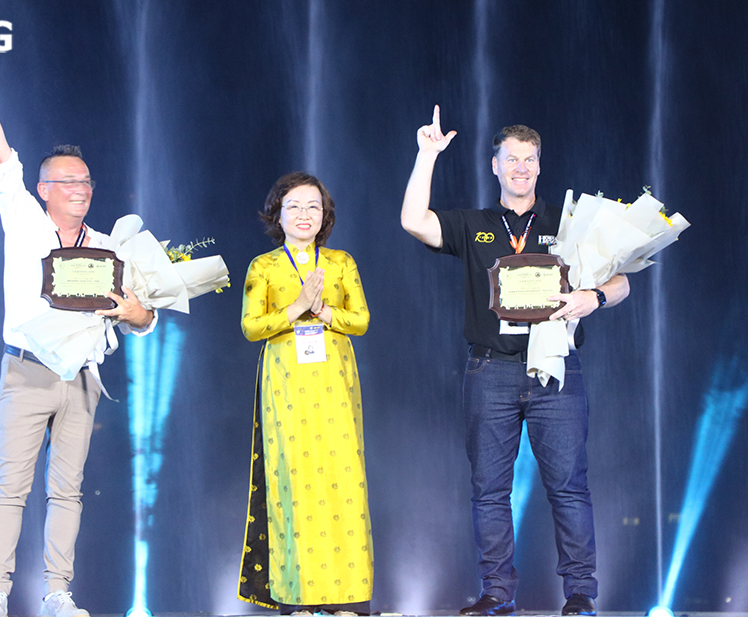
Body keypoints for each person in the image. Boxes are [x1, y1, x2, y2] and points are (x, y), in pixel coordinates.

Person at [400, 106, 630, 616]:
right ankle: (497, 594)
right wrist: (427, 154)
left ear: (540, 166)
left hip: (555, 371)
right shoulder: (474, 225)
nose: (521, 167)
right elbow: (413, 221)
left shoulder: (568, 222)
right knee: (488, 491)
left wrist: (595, 296)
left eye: (530, 159)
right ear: (495, 165)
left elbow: (623, 278)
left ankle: (580, 594)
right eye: (512, 158)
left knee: (569, 487)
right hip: (491, 371)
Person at [0, 50, 156, 617]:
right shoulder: (22, 217)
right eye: (68, 181)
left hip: (82, 377)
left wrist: (136, 313)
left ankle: (56, 595)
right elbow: (1, 154)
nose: (81, 188)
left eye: (87, 181)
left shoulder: (107, 246)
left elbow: (143, 319)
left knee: (67, 490)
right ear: (44, 188)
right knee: (9, 488)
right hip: (25, 368)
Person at [238, 173, 373, 616]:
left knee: (341, 480)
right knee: (291, 480)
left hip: (335, 383)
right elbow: (251, 327)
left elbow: (361, 320)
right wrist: (296, 308)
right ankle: (297, 597)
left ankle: (346, 597)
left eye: (313, 206)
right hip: (286, 386)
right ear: (278, 213)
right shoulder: (264, 266)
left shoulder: (340, 262)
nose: (303, 214)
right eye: (294, 206)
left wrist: (325, 310)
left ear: (324, 215)